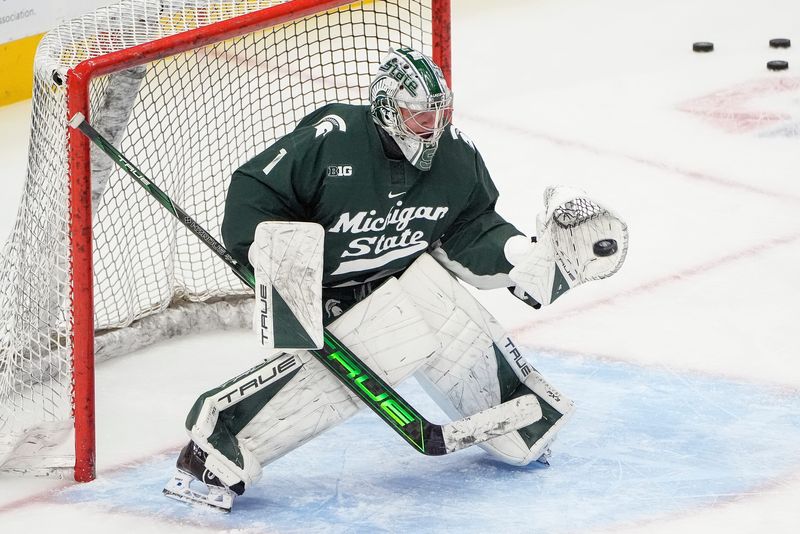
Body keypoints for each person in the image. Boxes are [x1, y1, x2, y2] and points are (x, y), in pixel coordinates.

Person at [163, 47, 628, 511]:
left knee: (449, 315)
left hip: (397, 273)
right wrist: (272, 256)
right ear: (388, 108)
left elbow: (470, 226)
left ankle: (522, 425)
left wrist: (523, 259)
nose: (433, 129)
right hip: (328, 291)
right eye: (420, 117)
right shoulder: (334, 138)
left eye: (439, 117)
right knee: (387, 340)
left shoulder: (457, 156)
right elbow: (256, 189)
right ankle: (214, 450)